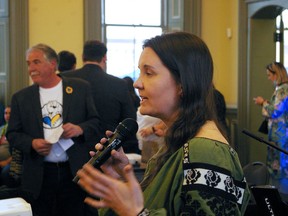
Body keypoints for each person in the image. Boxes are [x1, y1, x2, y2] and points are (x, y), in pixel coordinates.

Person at [76, 32, 250, 215]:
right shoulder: (179, 143)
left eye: (149, 73)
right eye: (140, 72)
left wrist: (135, 212)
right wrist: (122, 179)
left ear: (183, 83)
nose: (137, 83)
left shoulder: (206, 151)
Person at [6, 43, 102, 216]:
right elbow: (12, 134)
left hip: (74, 172)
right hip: (39, 175)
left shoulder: (80, 88)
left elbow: (95, 122)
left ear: (53, 64)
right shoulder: (21, 98)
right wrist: (32, 143)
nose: (31, 68)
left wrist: (79, 129)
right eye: (28, 63)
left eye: (36, 62)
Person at [62, 40, 138, 153]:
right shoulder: (118, 84)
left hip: (69, 149)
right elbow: (129, 118)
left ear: (83, 57)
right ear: (104, 57)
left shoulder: (64, 79)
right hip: (105, 150)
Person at [254, 62, 288, 183]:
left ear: (277, 74)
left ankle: (279, 198)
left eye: (269, 75)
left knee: (279, 168)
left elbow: (275, 111)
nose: (268, 78)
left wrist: (263, 102)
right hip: (278, 133)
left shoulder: (283, 90)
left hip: (281, 134)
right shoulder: (281, 89)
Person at [0, 106, 12, 185]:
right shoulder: (1, 129)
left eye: (10, 113)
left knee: (5, 172)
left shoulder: (15, 130)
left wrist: (6, 162)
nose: (7, 115)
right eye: (5, 113)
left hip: (8, 162)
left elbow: (17, 152)